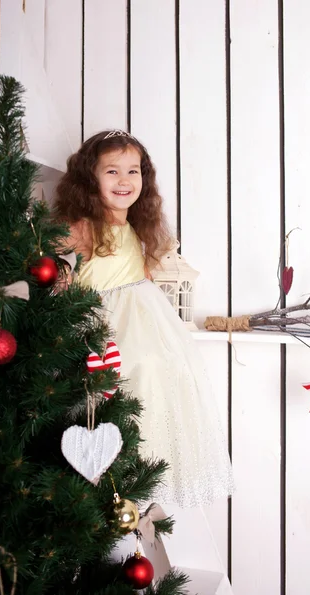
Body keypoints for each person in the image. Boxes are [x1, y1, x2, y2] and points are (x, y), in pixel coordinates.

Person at [53, 129, 234, 509]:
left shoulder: (136, 228)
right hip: (104, 329)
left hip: (147, 326)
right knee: (121, 386)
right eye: (112, 171)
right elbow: (59, 283)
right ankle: (109, 477)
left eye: (133, 171)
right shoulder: (81, 227)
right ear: (90, 178)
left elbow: (140, 279)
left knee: (156, 384)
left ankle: (138, 481)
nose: (124, 181)